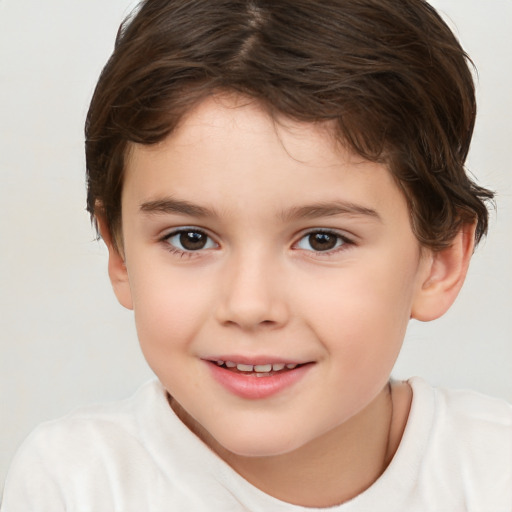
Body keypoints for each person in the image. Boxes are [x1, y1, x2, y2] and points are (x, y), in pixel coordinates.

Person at [2, 0, 511, 510]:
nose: (249, 305)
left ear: (440, 261)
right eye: (191, 239)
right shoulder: (75, 486)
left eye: (322, 240)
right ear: (120, 254)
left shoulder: (495, 474)